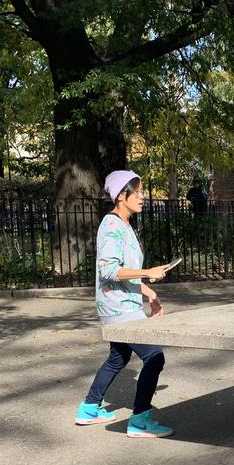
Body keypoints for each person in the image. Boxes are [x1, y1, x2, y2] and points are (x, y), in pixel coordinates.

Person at [75, 169, 176, 438]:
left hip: (121, 303)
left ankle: (89, 408)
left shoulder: (123, 224)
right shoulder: (111, 226)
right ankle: (140, 421)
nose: (143, 197)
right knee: (154, 357)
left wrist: (149, 293)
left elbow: (122, 272)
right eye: (138, 192)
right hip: (119, 307)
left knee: (118, 357)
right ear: (122, 195)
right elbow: (108, 270)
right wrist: (147, 273)